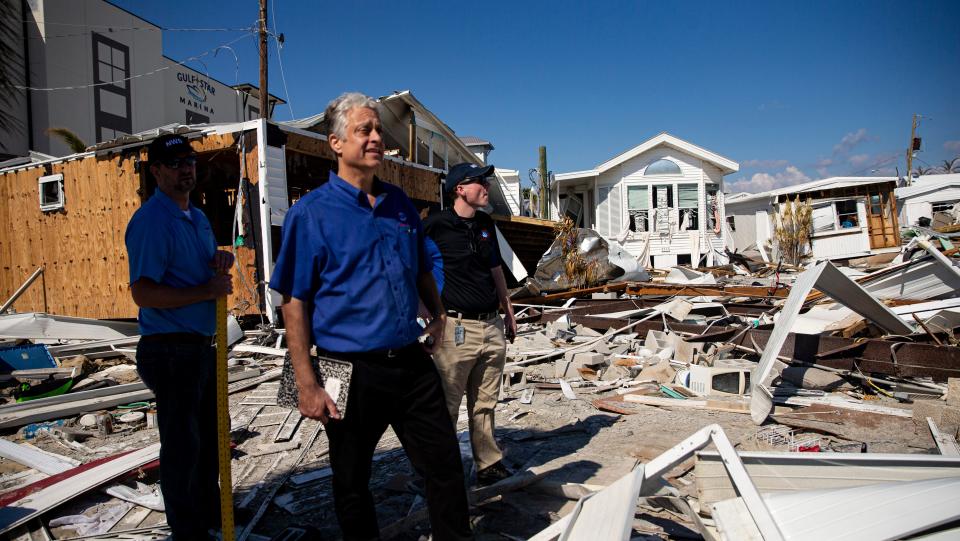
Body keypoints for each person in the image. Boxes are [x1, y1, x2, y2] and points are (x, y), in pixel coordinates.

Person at [269, 92, 472, 541]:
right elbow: (294, 302)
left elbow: (421, 267)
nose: (377, 137)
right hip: (349, 368)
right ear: (336, 143)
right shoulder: (310, 214)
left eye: (378, 129)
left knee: (444, 465)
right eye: (365, 130)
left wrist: (437, 315)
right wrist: (306, 383)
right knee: (351, 479)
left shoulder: (399, 203)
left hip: (411, 362)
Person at [125, 134, 234, 540]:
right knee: (183, 444)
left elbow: (204, 267)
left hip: (198, 346)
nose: (185, 169)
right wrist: (206, 292)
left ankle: (211, 511)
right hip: (169, 348)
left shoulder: (197, 217)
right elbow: (144, 292)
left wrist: (221, 259)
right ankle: (187, 529)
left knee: (209, 437)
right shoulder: (152, 222)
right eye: (175, 164)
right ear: (156, 171)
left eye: (189, 161)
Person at [423, 162, 518, 487]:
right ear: (460, 188)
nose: (487, 187)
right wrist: (425, 312)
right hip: (454, 329)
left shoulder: (485, 224)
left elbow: (495, 269)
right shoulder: (435, 223)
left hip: (491, 326)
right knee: (447, 406)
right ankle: (441, 472)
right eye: (481, 182)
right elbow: (414, 269)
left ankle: (488, 465)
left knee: (485, 403)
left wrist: (507, 308)